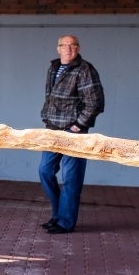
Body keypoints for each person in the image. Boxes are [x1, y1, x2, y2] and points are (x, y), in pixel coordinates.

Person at [39, 35, 105, 234]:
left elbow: (95, 102)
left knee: (71, 178)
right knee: (45, 171)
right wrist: (46, 117)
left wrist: (78, 126)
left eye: (72, 45)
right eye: (64, 45)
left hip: (73, 132)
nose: (68, 49)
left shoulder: (85, 69)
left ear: (78, 48)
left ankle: (65, 222)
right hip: (52, 130)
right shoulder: (53, 68)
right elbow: (49, 97)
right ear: (57, 48)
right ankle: (58, 213)